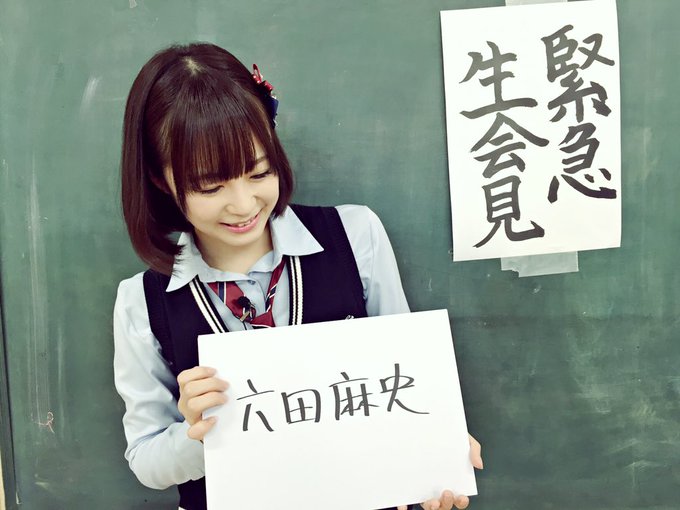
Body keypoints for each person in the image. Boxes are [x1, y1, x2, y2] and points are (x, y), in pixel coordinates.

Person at [113, 42, 482, 510]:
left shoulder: (354, 235)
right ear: (161, 179)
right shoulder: (142, 301)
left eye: (258, 173)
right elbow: (146, 460)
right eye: (210, 186)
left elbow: (408, 382)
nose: (243, 205)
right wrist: (197, 434)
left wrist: (435, 451)